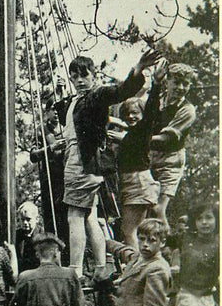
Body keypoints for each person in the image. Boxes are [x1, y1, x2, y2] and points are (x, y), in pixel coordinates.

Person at [54, 49, 161, 284]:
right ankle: (102, 266)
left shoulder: (96, 96)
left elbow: (120, 91)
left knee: (74, 215)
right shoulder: (79, 100)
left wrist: (138, 70)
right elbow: (72, 121)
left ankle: (76, 269)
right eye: (75, 76)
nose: (80, 80)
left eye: (85, 75)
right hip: (82, 160)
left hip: (82, 162)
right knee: (90, 215)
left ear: (94, 76)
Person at [116, 60, 167, 247]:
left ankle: (136, 269)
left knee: (129, 231)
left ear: (142, 114)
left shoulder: (143, 129)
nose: (131, 116)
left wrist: (157, 84)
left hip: (137, 182)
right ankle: (142, 264)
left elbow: (152, 108)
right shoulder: (130, 135)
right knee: (135, 230)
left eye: (135, 113)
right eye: (128, 113)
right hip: (133, 183)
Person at [150, 63, 197, 226]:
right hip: (151, 156)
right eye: (176, 82)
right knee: (145, 205)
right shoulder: (158, 98)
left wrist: (133, 140)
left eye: (186, 84)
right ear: (167, 81)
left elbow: (165, 139)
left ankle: (167, 246)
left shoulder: (187, 110)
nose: (180, 87)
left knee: (158, 209)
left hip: (171, 161)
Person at [30, 103, 68, 252]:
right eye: (53, 109)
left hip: (69, 178)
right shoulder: (42, 130)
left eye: (59, 109)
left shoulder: (68, 127)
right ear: (47, 112)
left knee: (70, 218)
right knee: (52, 218)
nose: (56, 112)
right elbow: (33, 155)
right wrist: (50, 148)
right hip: (51, 180)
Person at [15, 201, 43, 272]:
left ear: (37, 219)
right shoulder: (17, 235)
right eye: (22, 219)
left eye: (28, 219)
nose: (25, 223)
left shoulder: (43, 235)